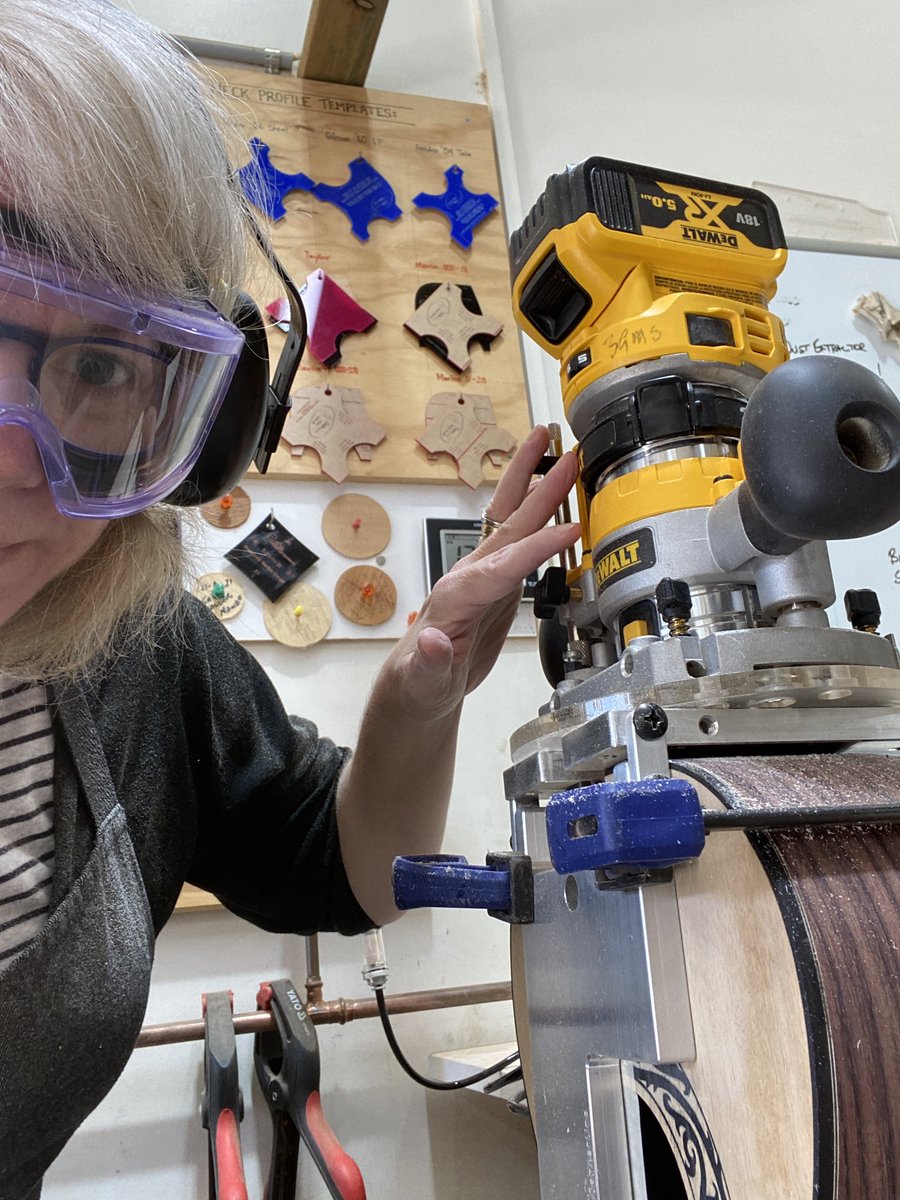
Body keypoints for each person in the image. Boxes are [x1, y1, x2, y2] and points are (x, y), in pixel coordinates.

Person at [0, 0, 580, 1194]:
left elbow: (349, 870)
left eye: (103, 365)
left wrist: (421, 694)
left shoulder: (132, 656)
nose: (18, 455)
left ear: (194, 428)